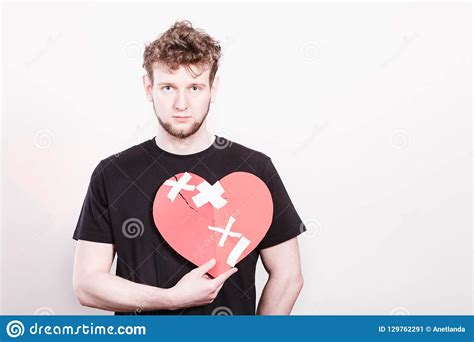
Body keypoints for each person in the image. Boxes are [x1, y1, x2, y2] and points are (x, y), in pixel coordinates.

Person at [72, 20, 306, 315]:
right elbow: (87, 283)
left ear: (213, 88)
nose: (181, 103)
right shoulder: (113, 172)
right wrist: (172, 298)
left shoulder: (255, 169)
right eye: (168, 87)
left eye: (194, 87)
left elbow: (288, 277)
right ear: (148, 87)